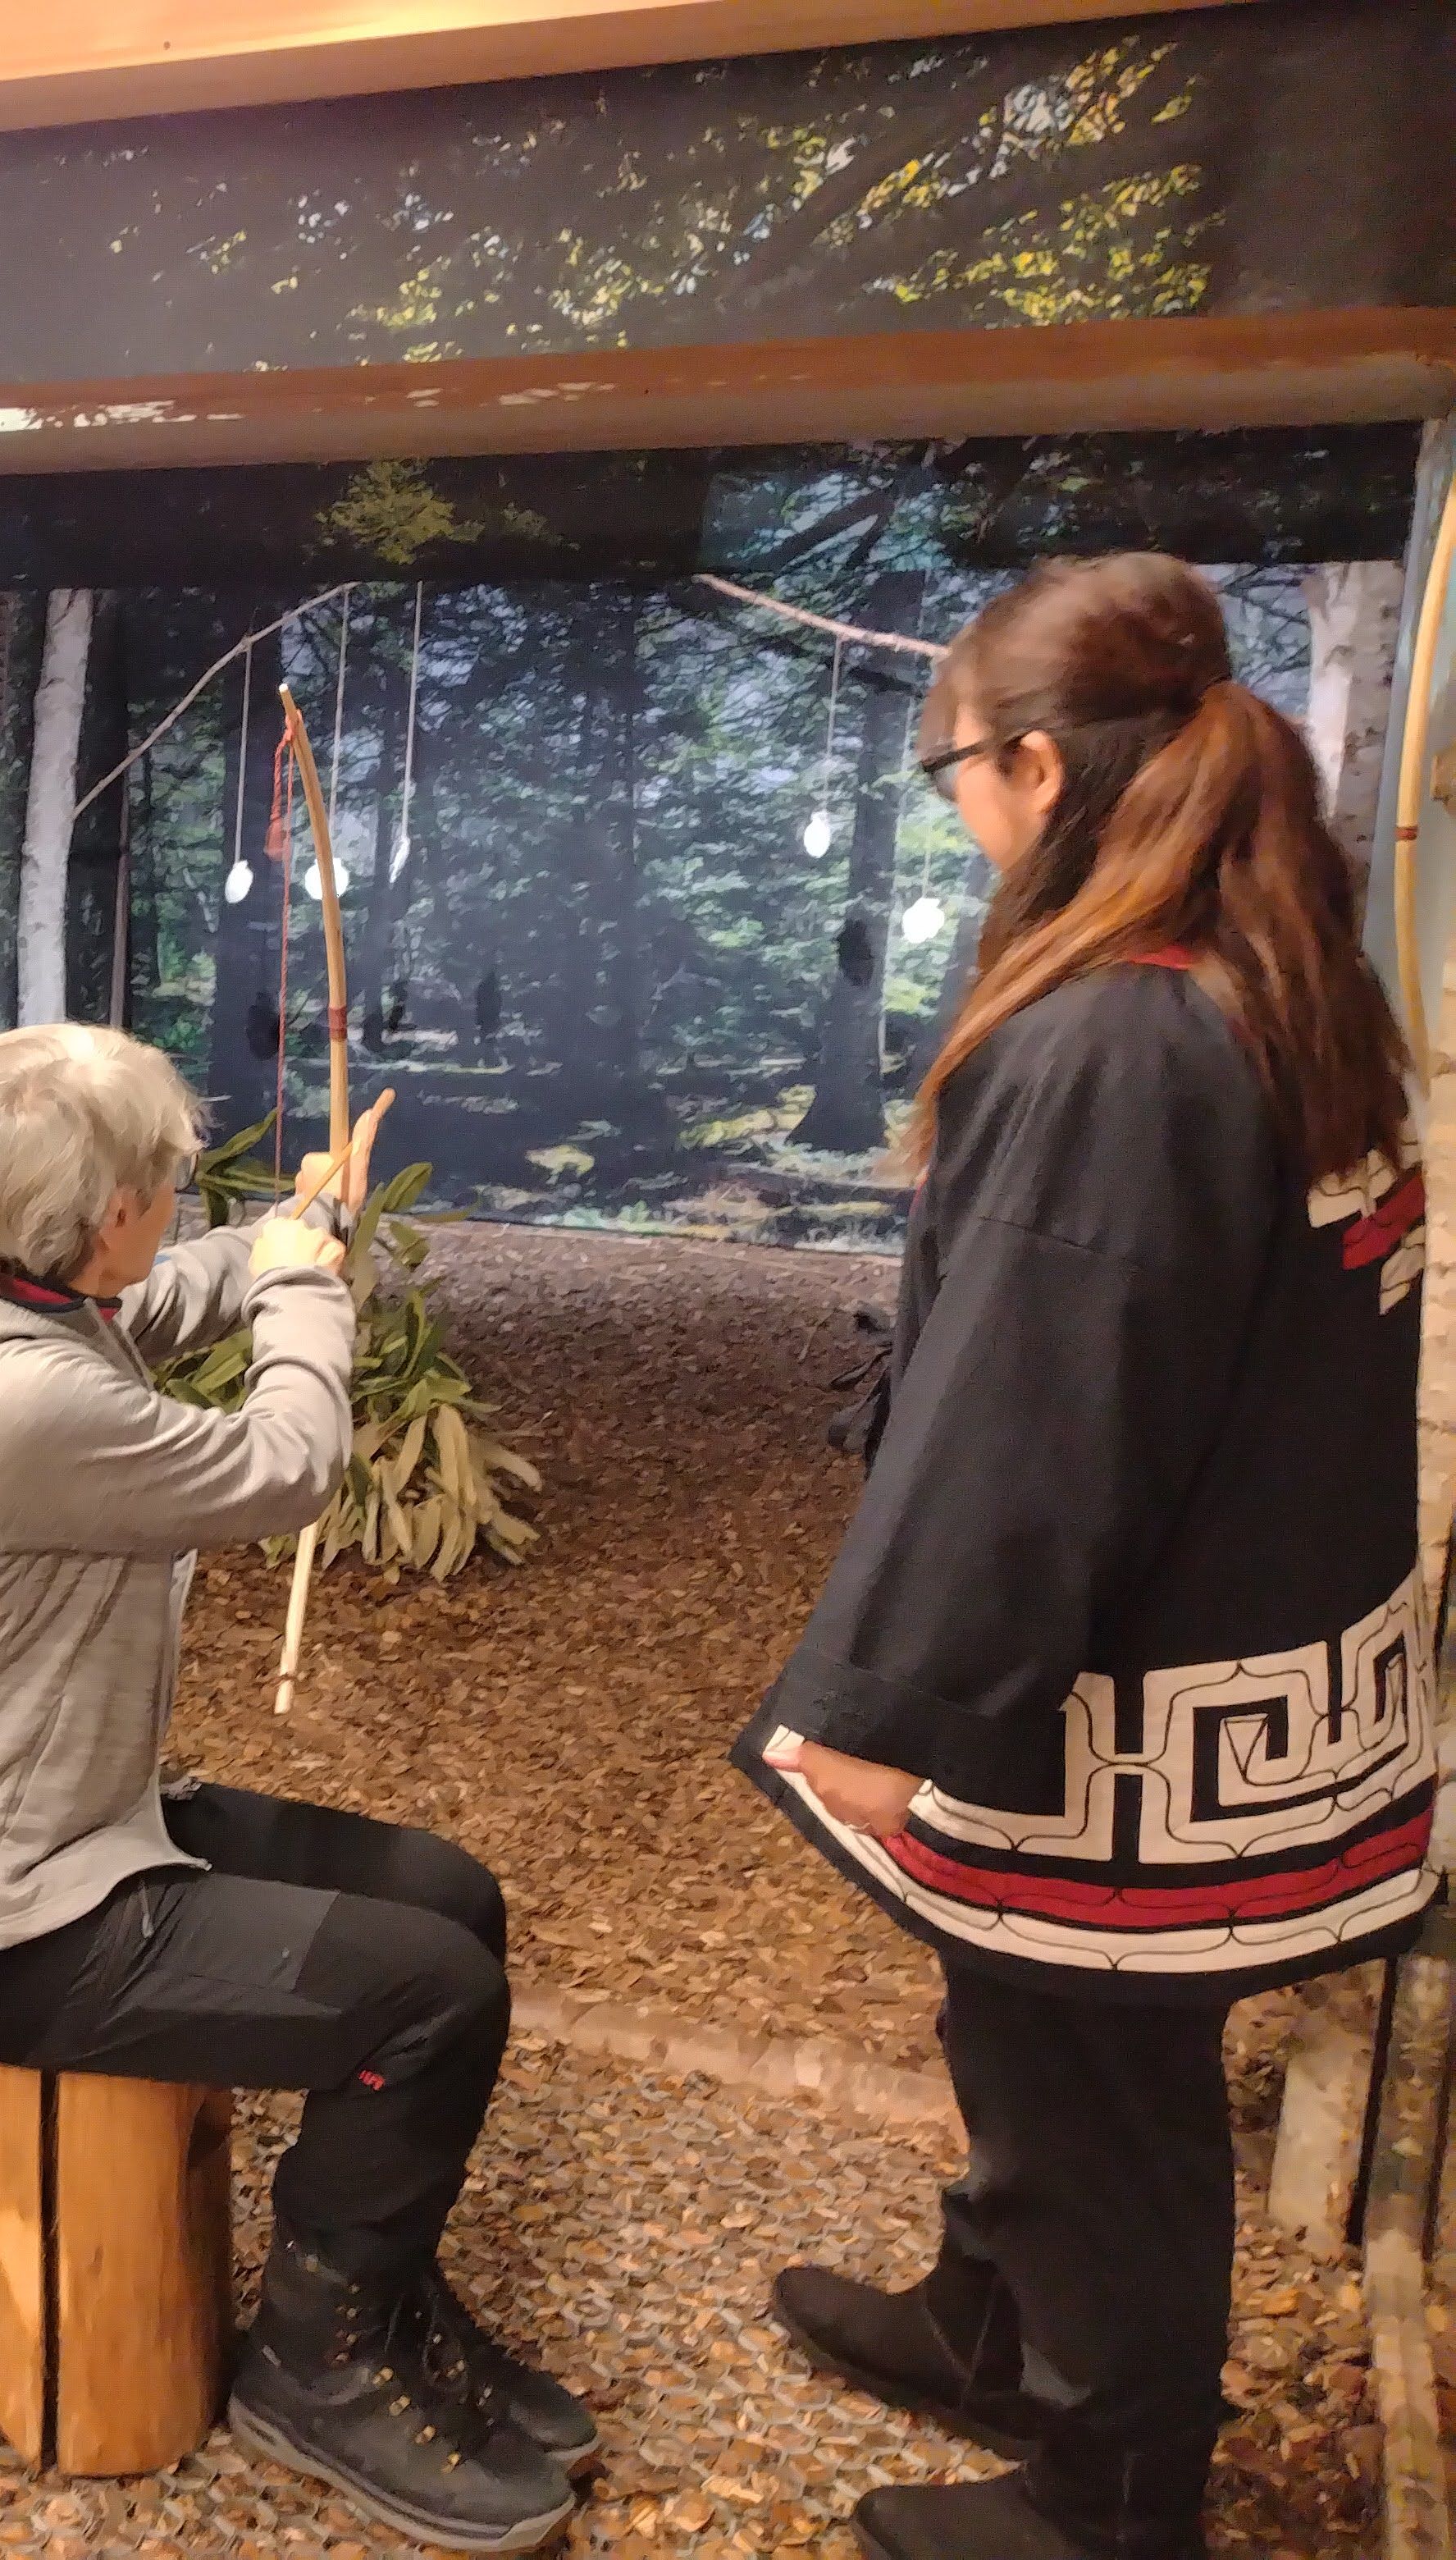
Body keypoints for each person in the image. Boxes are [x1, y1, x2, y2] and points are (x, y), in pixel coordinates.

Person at [742, 555, 1431, 2560]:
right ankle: (992, 2315)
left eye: (955, 765)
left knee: (1096, 2082)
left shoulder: (1119, 1043)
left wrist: (886, 1706)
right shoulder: (1286, 969)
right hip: (1266, 1648)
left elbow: (1034, 1423)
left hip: (1141, 1699)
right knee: (1025, 2025)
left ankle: (1109, 2489)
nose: (959, 805)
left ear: (1037, 766)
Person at [0, 1025, 591, 2554]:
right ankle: (319, 2364)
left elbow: (173, 1292)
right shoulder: (14, 1404)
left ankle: (379, 2278)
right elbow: (290, 1462)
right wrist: (311, 1288)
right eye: (165, 1179)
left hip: (78, 1841)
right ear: (99, 1215)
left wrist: (290, 1228)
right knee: (433, 1995)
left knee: (449, 1896)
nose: (178, 1196)